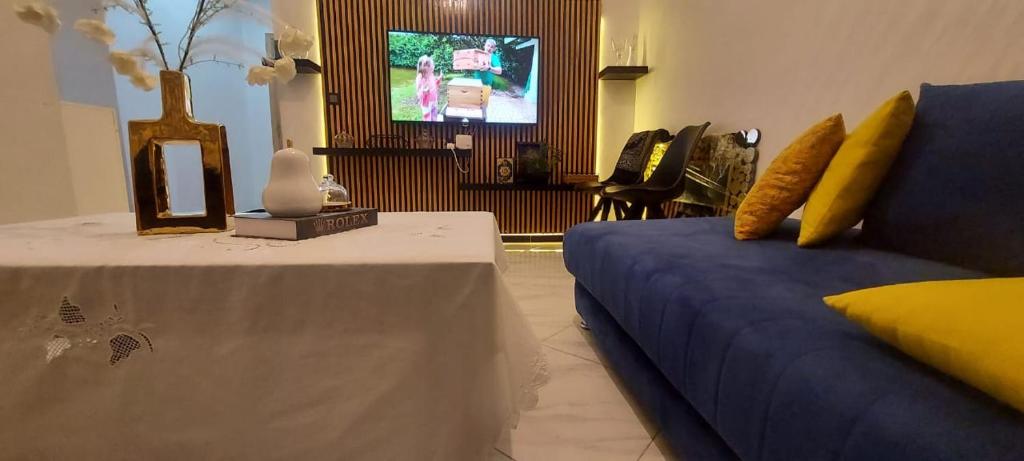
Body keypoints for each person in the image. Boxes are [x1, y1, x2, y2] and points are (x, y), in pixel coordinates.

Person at [474, 39, 503, 107]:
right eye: (488, 45)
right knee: (475, 105)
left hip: (486, 86)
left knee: (483, 107)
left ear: (494, 49)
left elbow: (500, 71)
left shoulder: (494, 58)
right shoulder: (478, 55)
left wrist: (489, 68)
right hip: (476, 84)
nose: (489, 48)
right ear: (484, 46)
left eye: (492, 47)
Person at [415, 55, 443, 121]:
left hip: (434, 100)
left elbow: (434, 83)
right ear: (427, 68)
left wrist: (439, 79)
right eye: (432, 65)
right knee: (427, 117)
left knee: (434, 113)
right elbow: (418, 92)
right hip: (426, 103)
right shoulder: (420, 78)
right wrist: (424, 92)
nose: (434, 66)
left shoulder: (431, 75)